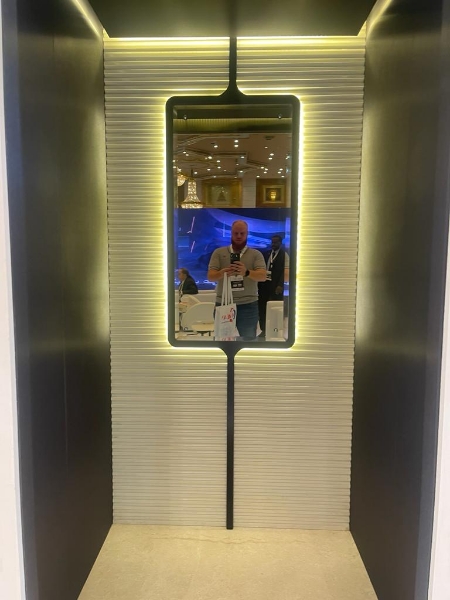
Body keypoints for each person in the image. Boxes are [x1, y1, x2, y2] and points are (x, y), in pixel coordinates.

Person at [207, 220, 266, 340]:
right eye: (236, 233)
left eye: (242, 233)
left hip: (248, 304)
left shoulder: (256, 254)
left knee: (248, 342)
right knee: (222, 341)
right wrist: (222, 273)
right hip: (223, 303)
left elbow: (263, 276)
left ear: (247, 234)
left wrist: (246, 272)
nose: (239, 236)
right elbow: (210, 276)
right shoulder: (219, 253)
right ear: (231, 233)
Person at [257, 235, 289, 338]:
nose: (273, 244)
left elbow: (285, 272)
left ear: (280, 243)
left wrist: (280, 285)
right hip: (264, 285)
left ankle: (275, 329)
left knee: (274, 309)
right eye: (272, 242)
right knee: (262, 308)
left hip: (276, 287)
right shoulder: (267, 253)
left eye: (276, 242)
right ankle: (263, 330)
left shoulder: (284, 255)